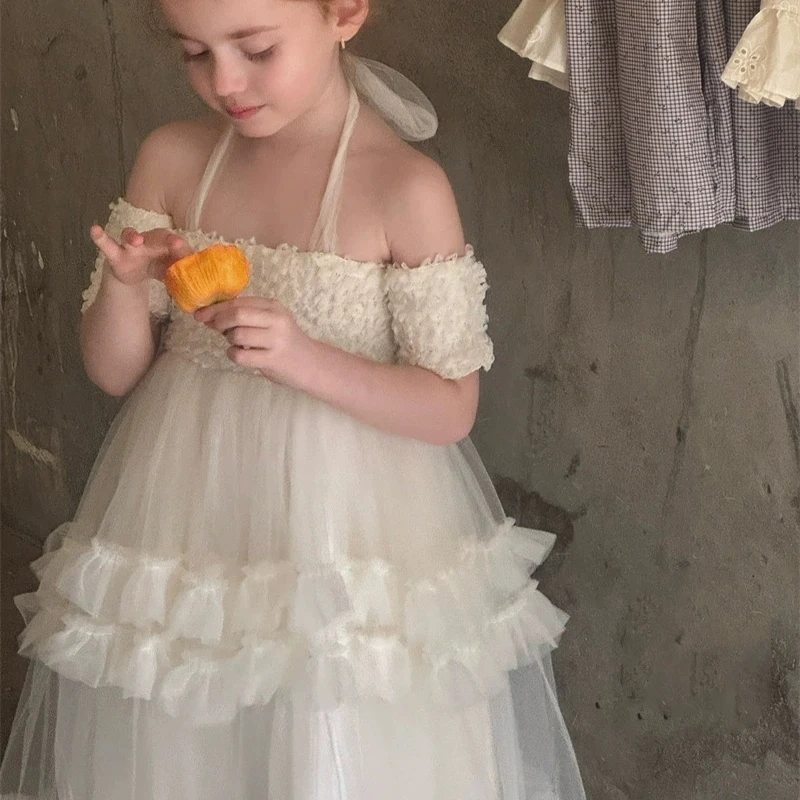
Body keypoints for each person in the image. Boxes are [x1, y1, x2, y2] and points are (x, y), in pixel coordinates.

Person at [0, 0, 586, 797]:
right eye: (195, 54)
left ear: (344, 13)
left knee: (327, 719)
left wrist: (304, 359)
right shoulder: (172, 158)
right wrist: (124, 285)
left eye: (256, 49)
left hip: (347, 525)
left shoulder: (404, 189)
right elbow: (112, 371)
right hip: (187, 505)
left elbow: (450, 406)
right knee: (190, 717)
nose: (225, 83)